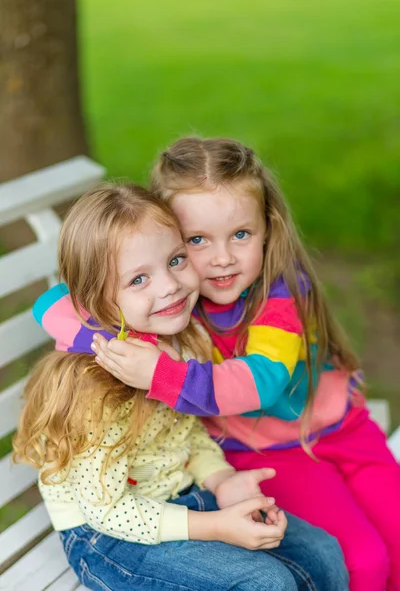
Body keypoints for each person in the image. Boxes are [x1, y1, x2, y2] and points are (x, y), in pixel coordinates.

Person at [90, 138, 400, 591]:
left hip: (345, 429)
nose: (222, 258)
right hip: (263, 452)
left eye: (241, 234)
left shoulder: (281, 293)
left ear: (267, 230)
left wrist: (161, 374)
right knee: (365, 561)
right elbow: (53, 305)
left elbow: (263, 382)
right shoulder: (170, 300)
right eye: (197, 240)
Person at [20, 182, 349, 591]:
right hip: (108, 535)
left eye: (176, 259)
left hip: (184, 496)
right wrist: (213, 526)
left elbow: (186, 434)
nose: (170, 285)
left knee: (322, 553)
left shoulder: (184, 338)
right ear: (96, 299)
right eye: (138, 279)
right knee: (266, 582)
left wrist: (222, 480)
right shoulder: (95, 387)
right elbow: (106, 511)